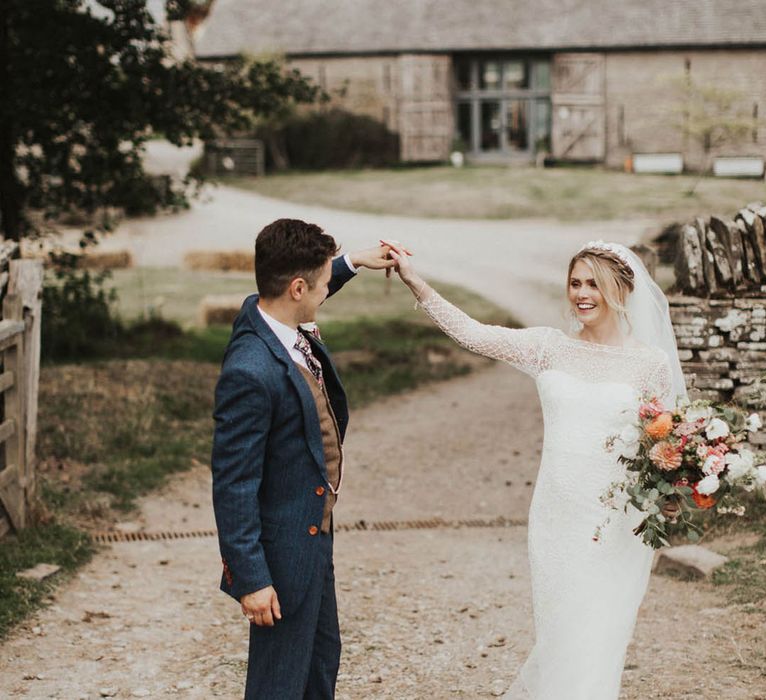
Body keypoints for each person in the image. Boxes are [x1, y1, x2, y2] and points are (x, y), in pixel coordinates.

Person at [385, 239, 686, 700]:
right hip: (555, 515)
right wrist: (414, 280)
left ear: (621, 291)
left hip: (613, 521)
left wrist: (671, 491)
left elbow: (666, 440)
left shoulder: (650, 364)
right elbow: (473, 333)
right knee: (562, 631)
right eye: (576, 283)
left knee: (598, 636)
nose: (582, 293)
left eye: (595, 284)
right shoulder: (549, 348)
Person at [211, 218, 394, 699]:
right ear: (296, 288)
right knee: (279, 681)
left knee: (318, 662)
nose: (325, 288)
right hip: (282, 550)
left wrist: (352, 262)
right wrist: (251, 579)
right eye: (323, 283)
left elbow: (309, 284)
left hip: (314, 533)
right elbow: (233, 484)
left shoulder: (268, 313)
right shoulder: (250, 372)